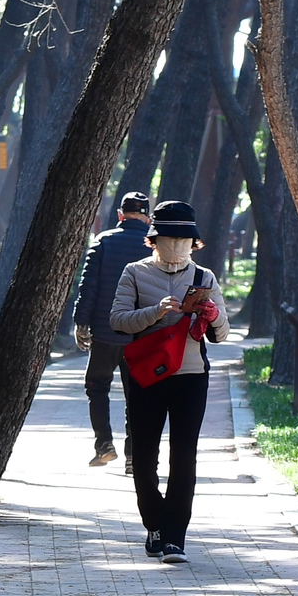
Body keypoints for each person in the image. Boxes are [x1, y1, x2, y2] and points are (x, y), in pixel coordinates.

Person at [111, 198, 230, 563]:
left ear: (194, 243)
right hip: (145, 374)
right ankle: (155, 525)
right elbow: (118, 320)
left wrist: (211, 315)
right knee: (144, 456)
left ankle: (175, 535)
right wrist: (156, 311)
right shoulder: (134, 272)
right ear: (154, 239)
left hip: (191, 375)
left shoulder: (204, 277)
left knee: (185, 456)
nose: (177, 247)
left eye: (184, 241)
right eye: (168, 239)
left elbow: (222, 334)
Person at [73, 190, 152, 468]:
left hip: (106, 333)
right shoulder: (154, 247)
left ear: (120, 215)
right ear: (147, 216)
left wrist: (82, 323)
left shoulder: (103, 241)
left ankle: (104, 444)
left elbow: (89, 286)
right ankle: (134, 456)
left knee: (96, 387)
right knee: (138, 395)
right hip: (141, 336)